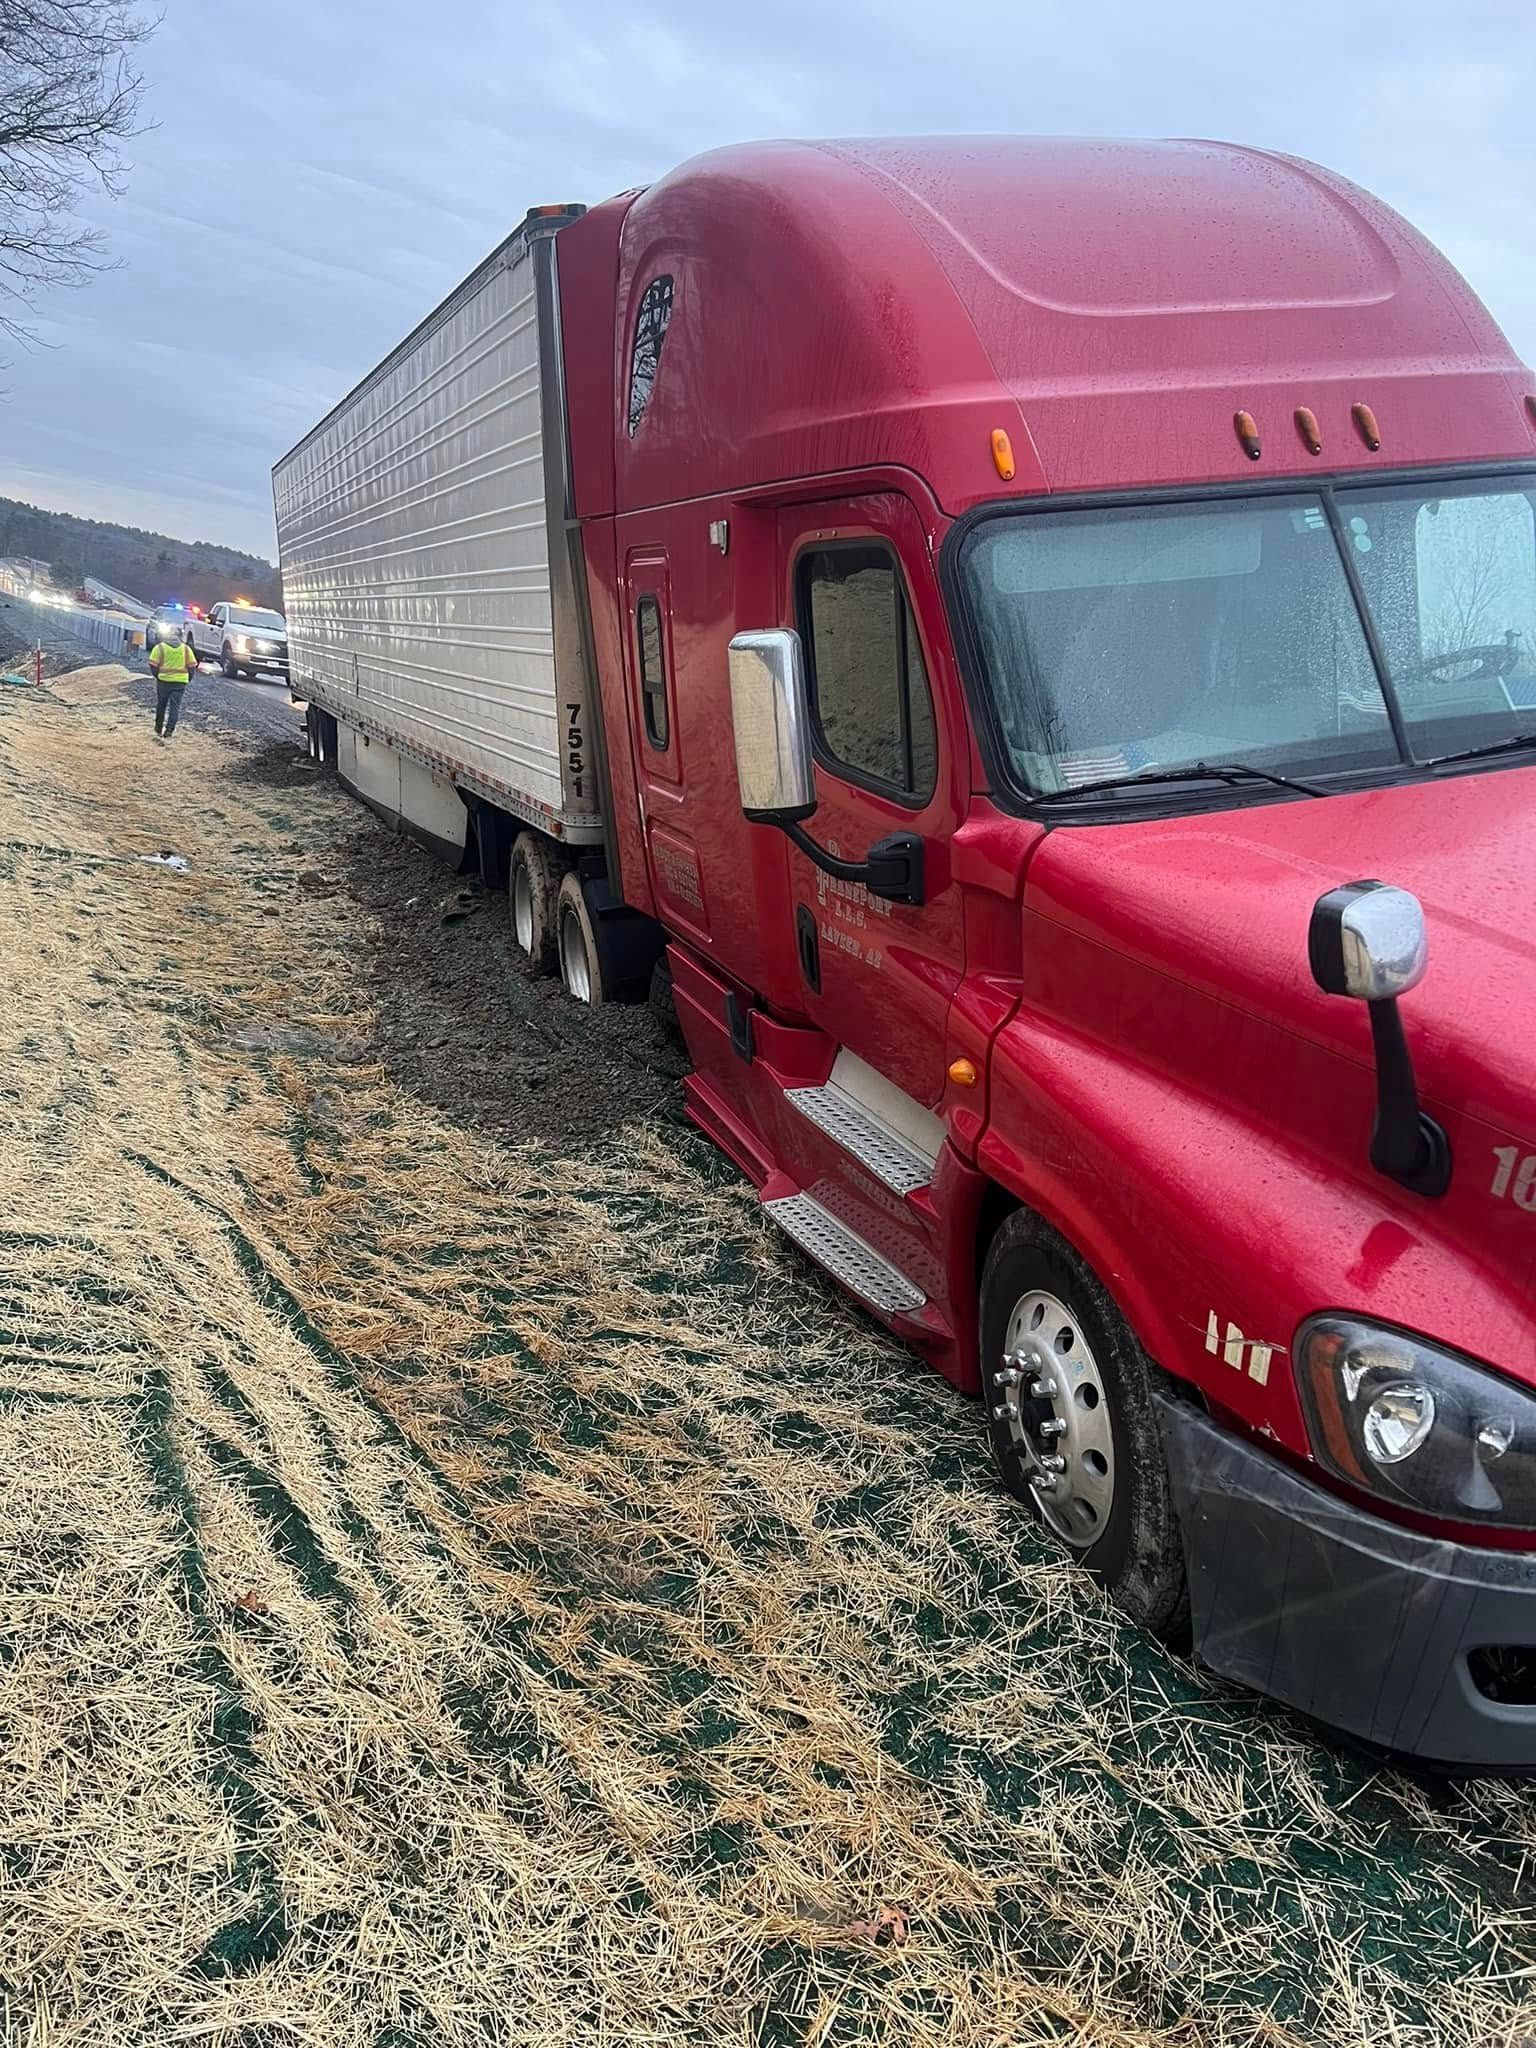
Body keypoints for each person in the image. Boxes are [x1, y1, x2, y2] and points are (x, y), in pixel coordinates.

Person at [148, 626, 195, 738]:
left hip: (163, 681)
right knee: (175, 707)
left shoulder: (159, 648)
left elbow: (153, 664)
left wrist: (157, 675)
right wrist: (188, 679)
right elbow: (192, 666)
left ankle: (158, 728)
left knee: (161, 705)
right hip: (180, 682)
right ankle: (169, 731)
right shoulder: (186, 649)